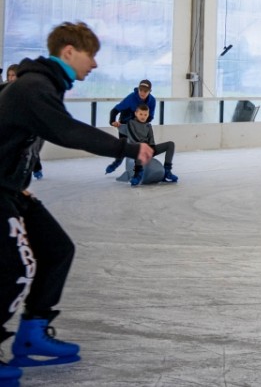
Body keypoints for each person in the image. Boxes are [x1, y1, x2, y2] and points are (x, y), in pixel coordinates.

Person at [0, 21, 153, 377]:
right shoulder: (34, 86)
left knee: (56, 250)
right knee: (15, 268)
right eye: (91, 55)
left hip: (10, 187)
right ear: (69, 52)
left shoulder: (42, 85)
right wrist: (127, 147)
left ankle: (32, 333)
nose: (95, 65)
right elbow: (67, 131)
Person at [104, 79, 155, 175]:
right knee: (123, 147)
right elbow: (114, 110)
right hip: (125, 124)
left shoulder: (152, 101)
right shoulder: (131, 98)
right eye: (141, 90)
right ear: (138, 89)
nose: (142, 93)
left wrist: (141, 124)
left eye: (145, 91)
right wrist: (112, 122)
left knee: (140, 147)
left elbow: (151, 116)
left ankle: (139, 170)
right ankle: (117, 163)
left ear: (150, 91)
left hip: (139, 126)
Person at [121, 103, 178, 186]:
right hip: (136, 148)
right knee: (140, 146)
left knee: (170, 144)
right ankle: (137, 174)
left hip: (148, 149)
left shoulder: (148, 125)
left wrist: (151, 148)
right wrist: (143, 146)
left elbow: (151, 139)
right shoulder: (131, 123)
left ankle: (167, 171)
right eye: (141, 114)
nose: (143, 116)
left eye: (145, 114)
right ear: (136, 113)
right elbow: (133, 138)